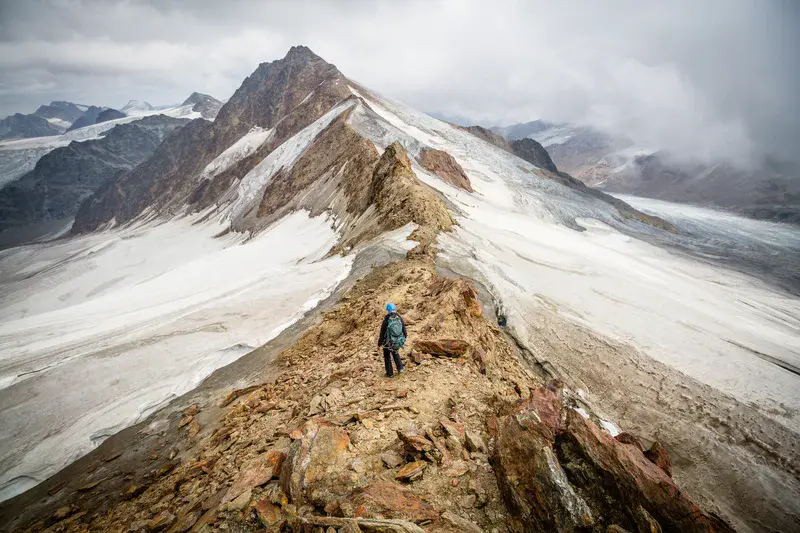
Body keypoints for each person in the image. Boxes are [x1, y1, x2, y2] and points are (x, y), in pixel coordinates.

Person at [378, 303, 406, 377]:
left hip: (388, 342)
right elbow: (404, 329)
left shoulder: (386, 320)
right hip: (397, 340)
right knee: (395, 353)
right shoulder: (399, 318)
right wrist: (403, 338)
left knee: (387, 356)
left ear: (388, 310)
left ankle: (389, 373)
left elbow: (382, 333)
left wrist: (379, 344)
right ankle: (400, 368)